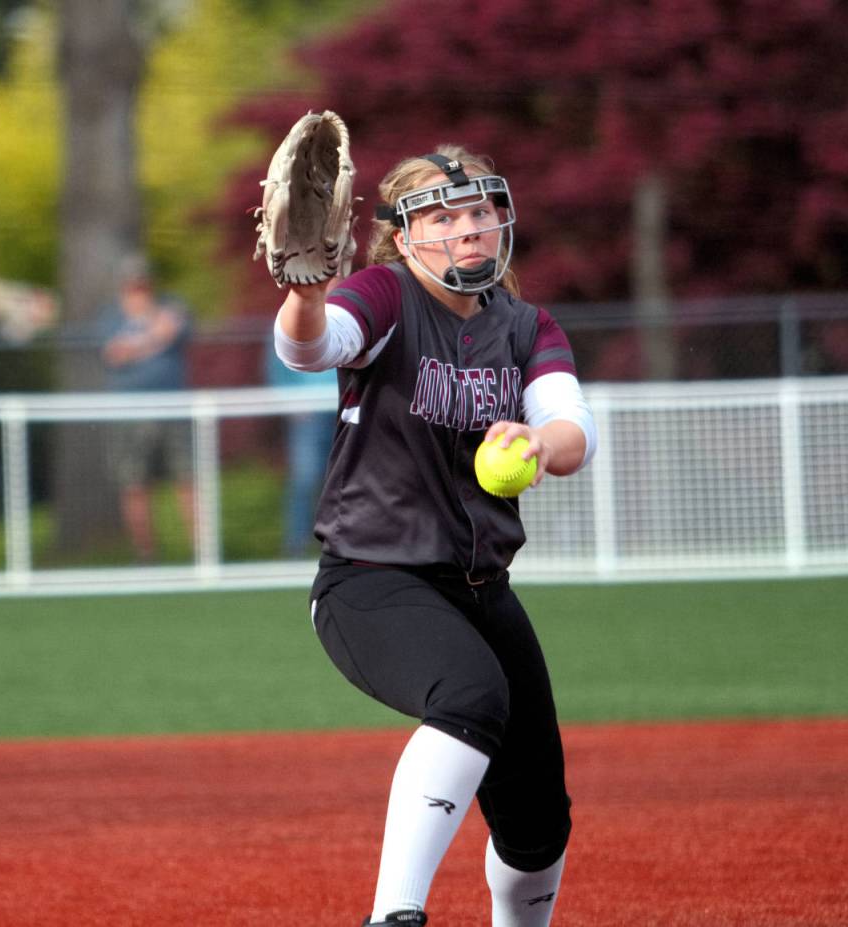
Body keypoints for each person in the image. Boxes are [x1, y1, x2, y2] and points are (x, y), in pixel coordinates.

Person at [271, 146, 598, 926]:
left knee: (539, 823)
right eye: (444, 217)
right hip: (370, 578)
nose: (469, 229)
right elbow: (311, 346)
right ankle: (394, 914)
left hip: (482, 589)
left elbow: (572, 430)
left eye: (480, 211)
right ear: (403, 235)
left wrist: (538, 440)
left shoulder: (525, 325)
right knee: (468, 693)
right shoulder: (384, 294)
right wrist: (305, 296)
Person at [99, 253, 194, 562]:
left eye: (142, 284)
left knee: (187, 478)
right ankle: (146, 556)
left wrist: (138, 343)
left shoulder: (172, 305)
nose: (138, 290)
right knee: (134, 484)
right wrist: (154, 338)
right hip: (130, 414)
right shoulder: (110, 318)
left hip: (173, 409)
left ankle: (200, 553)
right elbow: (115, 354)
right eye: (132, 285)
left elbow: (176, 329)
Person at [262, 338, 338, 558]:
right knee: (305, 479)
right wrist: (290, 403)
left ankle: (340, 543)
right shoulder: (289, 322)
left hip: (344, 409)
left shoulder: (351, 318)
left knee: (344, 480)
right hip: (308, 413)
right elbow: (276, 369)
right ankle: (297, 545)